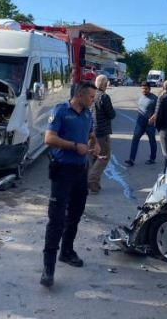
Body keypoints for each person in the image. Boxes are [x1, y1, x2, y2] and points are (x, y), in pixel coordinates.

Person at [40, 80, 101, 288]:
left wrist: (95, 143)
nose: (93, 101)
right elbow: (48, 138)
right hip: (62, 171)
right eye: (91, 97)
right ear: (81, 95)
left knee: (74, 215)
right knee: (56, 220)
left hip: (80, 173)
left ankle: (67, 251)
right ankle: (48, 268)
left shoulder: (86, 114)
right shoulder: (60, 111)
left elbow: (90, 134)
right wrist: (75, 146)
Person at [88, 75, 115, 194]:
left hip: (91, 131)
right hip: (102, 132)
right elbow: (111, 114)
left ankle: (95, 184)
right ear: (104, 85)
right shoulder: (104, 97)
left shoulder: (92, 94)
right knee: (104, 156)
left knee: (93, 157)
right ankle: (91, 179)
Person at [125, 82, 157, 166]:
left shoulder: (154, 98)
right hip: (140, 123)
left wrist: (152, 118)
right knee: (135, 140)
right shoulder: (140, 96)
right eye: (143, 88)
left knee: (152, 141)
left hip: (149, 124)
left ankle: (152, 158)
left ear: (150, 89)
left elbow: (158, 110)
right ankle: (131, 159)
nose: (144, 90)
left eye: (146, 88)